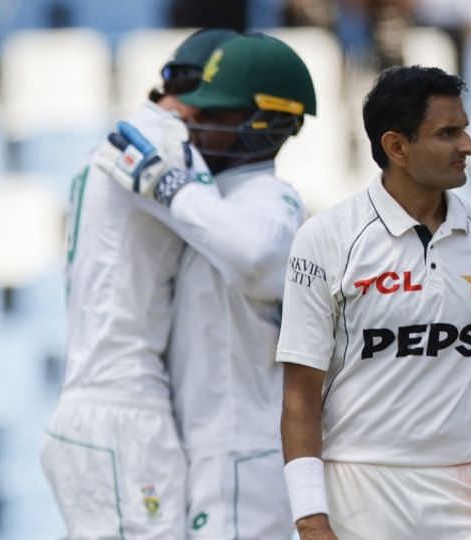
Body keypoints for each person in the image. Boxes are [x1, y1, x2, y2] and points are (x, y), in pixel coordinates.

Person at [278, 65, 471, 540]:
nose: (469, 147)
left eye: (465, 129)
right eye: (448, 133)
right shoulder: (327, 237)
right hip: (363, 491)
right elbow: (299, 394)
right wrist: (312, 519)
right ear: (396, 147)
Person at [40, 28, 238, 540]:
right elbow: (241, 248)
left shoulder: (115, 142)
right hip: (125, 408)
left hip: (94, 402)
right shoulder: (169, 143)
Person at [163, 33, 315, 538]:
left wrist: (172, 191)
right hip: (213, 449)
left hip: (241, 452)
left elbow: (255, 258)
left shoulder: (275, 200)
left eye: (221, 115)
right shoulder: (219, 199)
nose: (198, 126)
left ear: (267, 122)